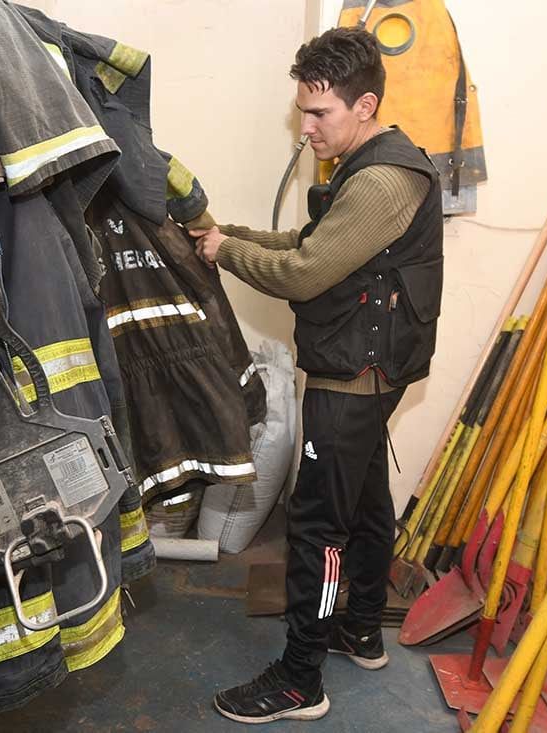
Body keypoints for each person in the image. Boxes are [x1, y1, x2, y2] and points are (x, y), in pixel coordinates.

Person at [190, 27, 445, 724]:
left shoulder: (383, 180)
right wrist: (230, 239)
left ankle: (301, 676)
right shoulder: (368, 166)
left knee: (316, 528)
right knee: (364, 503)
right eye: (302, 111)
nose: (306, 128)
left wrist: (230, 255)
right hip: (370, 371)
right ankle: (362, 630)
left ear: (364, 105)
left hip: (350, 379)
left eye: (319, 113)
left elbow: (304, 271)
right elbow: (310, 243)